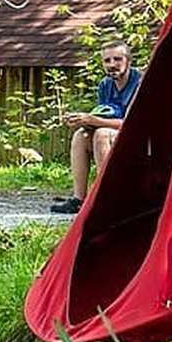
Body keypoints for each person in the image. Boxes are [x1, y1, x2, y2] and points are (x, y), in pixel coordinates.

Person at [51, 40, 143, 215]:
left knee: (101, 134)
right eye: (107, 61)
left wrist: (92, 119)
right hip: (114, 134)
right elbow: (105, 115)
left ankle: (107, 197)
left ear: (128, 61)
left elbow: (131, 123)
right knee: (81, 135)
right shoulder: (105, 85)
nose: (112, 64)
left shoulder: (140, 82)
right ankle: (79, 199)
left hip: (141, 138)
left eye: (117, 59)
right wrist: (83, 121)